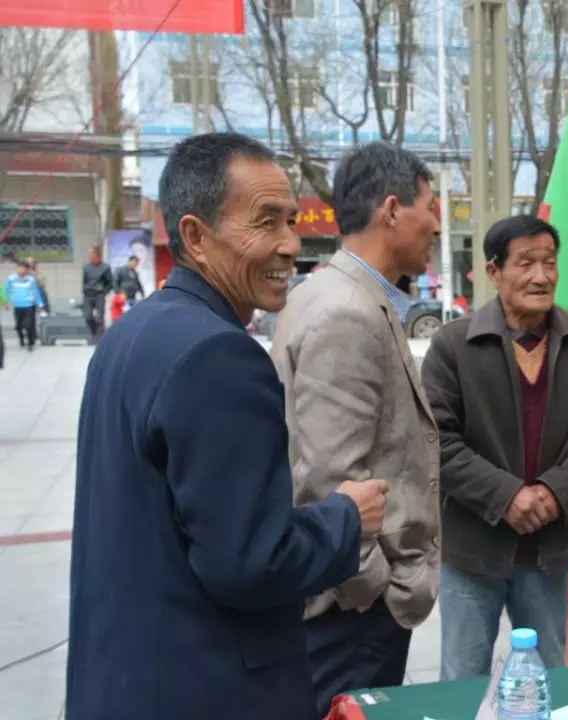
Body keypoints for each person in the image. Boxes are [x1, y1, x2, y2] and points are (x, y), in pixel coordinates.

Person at [66, 132, 391, 720]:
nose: (290, 244)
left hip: (124, 679)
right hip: (207, 688)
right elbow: (250, 563)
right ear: (195, 236)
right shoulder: (218, 357)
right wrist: (346, 517)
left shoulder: (132, 333)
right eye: (266, 222)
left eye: (291, 221)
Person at [270, 141, 442, 714]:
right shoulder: (347, 310)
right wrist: (368, 586)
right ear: (391, 210)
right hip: (354, 609)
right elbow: (328, 475)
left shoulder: (338, 294)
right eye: (429, 207)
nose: (436, 225)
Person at [422, 214, 568, 681]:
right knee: (463, 677)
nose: (541, 276)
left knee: (547, 674)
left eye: (549, 262)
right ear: (494, 272)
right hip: (473, 546)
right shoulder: (453, 345)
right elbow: (435, 438)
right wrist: (506, 495)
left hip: (549, 545)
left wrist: (557, 491)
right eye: (526, 263)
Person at [4, 260, 44, 352]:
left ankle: (30, 343)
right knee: (18, 326)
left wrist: (40, 304)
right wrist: (6, 302)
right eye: (19, 268)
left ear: (27, 270)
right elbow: (7, 290)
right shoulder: (11, 279)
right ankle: (21, 339)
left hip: (29, 305)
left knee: (29, 325)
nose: (20, 270)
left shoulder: (31, 280)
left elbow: (35, 292)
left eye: (22, 268)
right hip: (17, 305)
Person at [82, 245, 113, 343]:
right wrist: (84, 290)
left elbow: (110, 282)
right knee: (87, 316)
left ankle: (99, 337)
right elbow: (84, 281)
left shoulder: (105, 267)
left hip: (99, 293)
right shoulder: (86, 267)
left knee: (100, 317)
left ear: (96, 254)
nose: (89, 255)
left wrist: (104, 291)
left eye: (90, 253)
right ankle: (94, 332)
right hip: (88, 294)